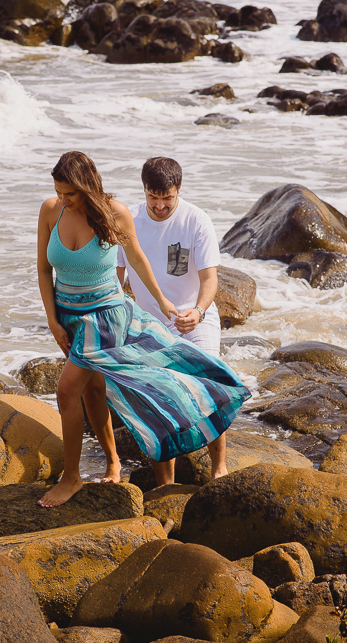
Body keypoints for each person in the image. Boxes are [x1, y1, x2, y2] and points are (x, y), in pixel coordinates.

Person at [36, 151, 250, 507]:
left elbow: (139, 258)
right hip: (71, 316)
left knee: (68, 391)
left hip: (113, 317)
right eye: (59, 192)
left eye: (69, 193)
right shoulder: (51, 210)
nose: (63, 199)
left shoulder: (123, 214)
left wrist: (171, 304)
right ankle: (123, 467)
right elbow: (46, 270)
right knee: (93, 390)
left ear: (86, 187)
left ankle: (73, 477)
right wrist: (52, 320)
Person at [116, 156, 229, 486]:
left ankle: (219, 467)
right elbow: (116, 277)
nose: (160, 205)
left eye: (167, 197)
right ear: (144, 190)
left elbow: (210, 279)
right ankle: (166, 484)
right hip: (148, 324)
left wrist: (199, 311)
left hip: (193, 317)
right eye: (153, 197)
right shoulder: (130, 221)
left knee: (209, 385)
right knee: (159, 399)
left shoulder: (196, 220)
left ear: (179, 189)